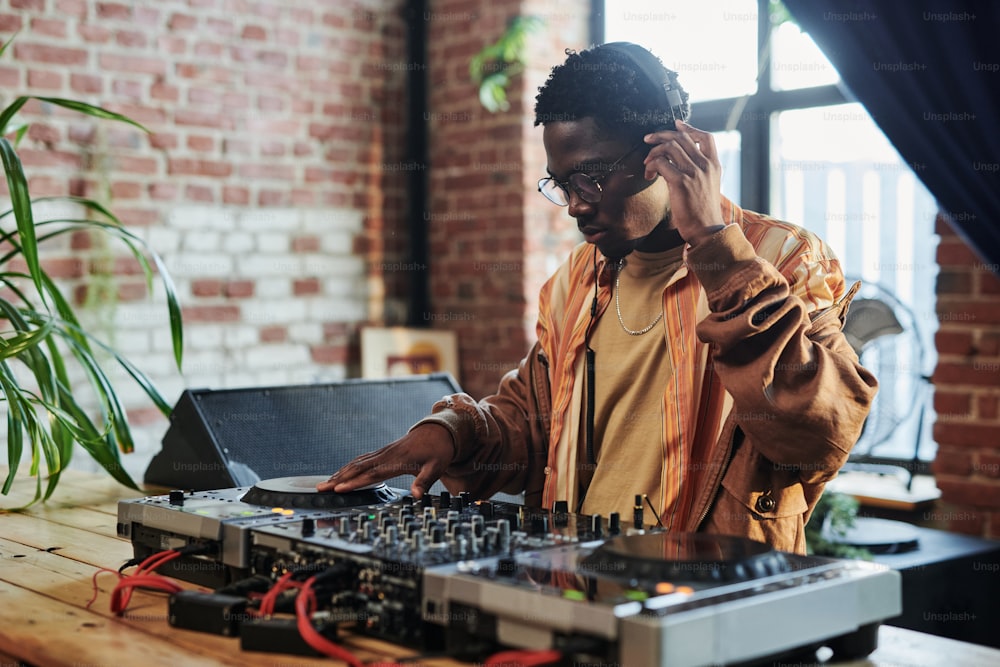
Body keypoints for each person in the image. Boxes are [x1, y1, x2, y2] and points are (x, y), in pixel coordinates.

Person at [319, 42, 877, 554]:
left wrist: (714, 248)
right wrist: (450, 431)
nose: (576, 205)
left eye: (592, 176)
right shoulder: (575, 281)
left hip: (713, 593)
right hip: (579, 583)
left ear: (668, 150)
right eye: (562, 183)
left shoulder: (781, 256)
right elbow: (535, 420)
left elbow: (816, 434)